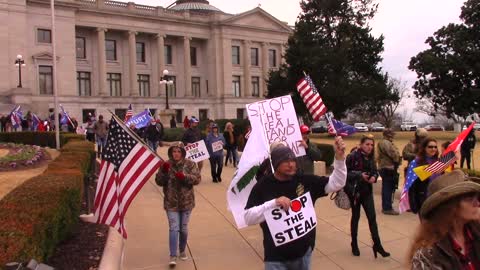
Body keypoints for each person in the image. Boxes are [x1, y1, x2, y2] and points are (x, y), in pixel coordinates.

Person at [244, 137, 347, 269]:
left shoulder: (305, 181)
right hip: (275, 259)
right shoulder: (263, 186)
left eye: (293, 160)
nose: (291, 164)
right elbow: (248, 217)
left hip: (304, 254)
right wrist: (273, 203)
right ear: (275, 163)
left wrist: (339, 159)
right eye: (285, 161)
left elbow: (336, 183)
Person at [408, 170, 480, 269]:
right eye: (469, 198)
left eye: (477, 197)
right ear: (449, 207)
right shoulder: (428, 255)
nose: (477, 203)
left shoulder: (475, 233)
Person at [155, 144, 201, 267]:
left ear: (182, 153)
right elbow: (159, 181)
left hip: (186, 202)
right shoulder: (166, 164)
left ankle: (182, 250)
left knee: (183, 229)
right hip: (171, 202)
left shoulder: (190, 164)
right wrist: (164, 172)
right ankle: (173, 255)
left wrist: (185, 177)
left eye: (178, 151)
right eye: (174, 151)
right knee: (174, 228)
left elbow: (197, 179)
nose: (176, 153)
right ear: (171, 152)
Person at [345, 134, 390, 258]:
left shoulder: (371, 158)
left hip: (367, 192)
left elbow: (375, 171)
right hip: (355, 192)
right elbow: (344, 173)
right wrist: (359, 175)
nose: (370, 147)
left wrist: (374, 177)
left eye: (371, 145)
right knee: (356, 217)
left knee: (372, 218)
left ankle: (378, 245)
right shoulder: (352, 156)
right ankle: (354, 243)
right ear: (361, 145)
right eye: (367, 144)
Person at [406, 138, 441, 214]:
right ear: (424, 148)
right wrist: (413, 204)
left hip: (437, 199)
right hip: (423, 199)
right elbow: (411, 184)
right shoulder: (416, 162)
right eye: (430, 147)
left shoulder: (439, 162)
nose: (433, 149)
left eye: (435, 147)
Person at [377, 129, 401, 215]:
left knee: (388, 187)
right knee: (388, 188)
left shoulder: (386, 142)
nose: (393, 136)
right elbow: (393, 154)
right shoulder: (385, 143)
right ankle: (387, 208)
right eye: (392, 134)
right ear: (388, 135)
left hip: (388, 167)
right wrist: (397, 160)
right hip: (387, 167)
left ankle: (387, 207)